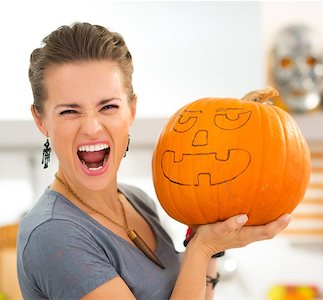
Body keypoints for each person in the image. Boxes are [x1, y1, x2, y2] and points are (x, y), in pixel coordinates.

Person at [16, 22, 292, 300]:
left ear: (131, 110)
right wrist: (202, 247)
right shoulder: (52, 235)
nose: (92, 128)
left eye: (108, 106)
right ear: (41, 121)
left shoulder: (137, 201)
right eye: (69, 111)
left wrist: (209, 240)